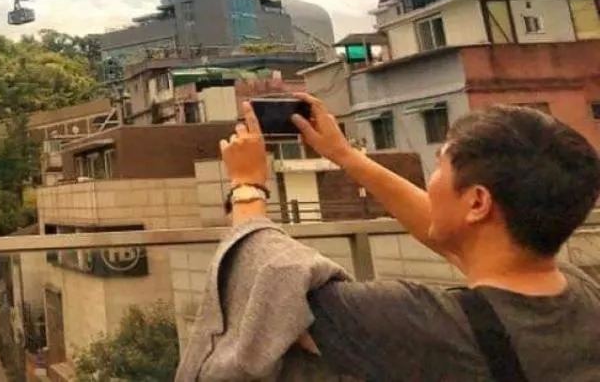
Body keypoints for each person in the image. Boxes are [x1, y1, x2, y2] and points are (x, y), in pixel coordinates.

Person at [217, 95, 600, 381]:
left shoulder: (423, 324)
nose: (431, 183)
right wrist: (345, 156)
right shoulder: (583, 294)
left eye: (439, 167)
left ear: (478, 202)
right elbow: (459, 234)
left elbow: (268, 283)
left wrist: (247, 186)